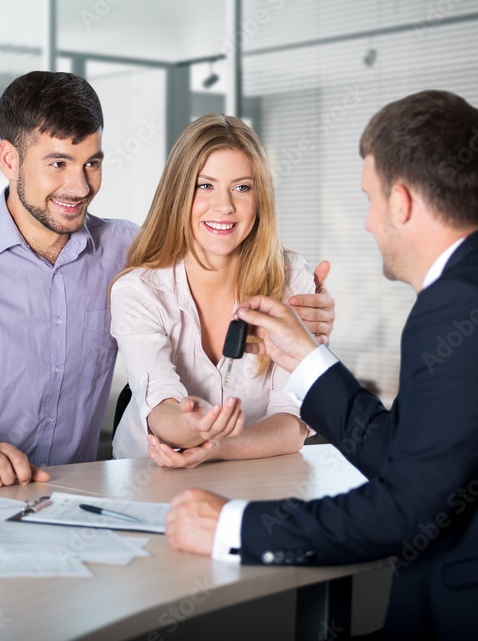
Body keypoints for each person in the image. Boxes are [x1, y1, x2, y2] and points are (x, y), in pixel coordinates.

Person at [165, 90, 478, 640]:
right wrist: (307, 357)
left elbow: (403, 510)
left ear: (403, 202)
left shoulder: (461, 308)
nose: (366, 223)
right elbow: (401, 455)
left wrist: (232, 525)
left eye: (370, 199)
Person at [0, 71, 335, 492]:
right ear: (8, 158)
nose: (80, 186)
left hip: (62, 500)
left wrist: (310, 320)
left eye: (92, 162)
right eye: (58, 163)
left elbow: (212, 246)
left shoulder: (128, 251)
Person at [110, 114, 329, 466]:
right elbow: (161, 409)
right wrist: (191, 425)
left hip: (254, 475)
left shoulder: (293, 281)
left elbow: (293, 424)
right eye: (205, 185)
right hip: (149, 475)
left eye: (242, 187)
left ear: (260, 198)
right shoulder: (138, 290)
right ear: (178, 194)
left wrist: (217, 446)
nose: (224, 206)